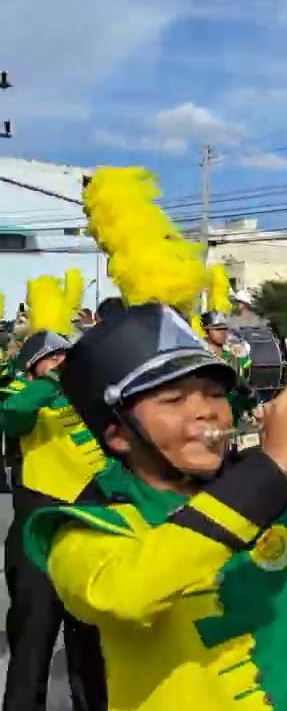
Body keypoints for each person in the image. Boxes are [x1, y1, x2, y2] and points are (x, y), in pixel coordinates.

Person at [22, 303, 287, 710]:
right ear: (118, 436)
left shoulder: (280, 504)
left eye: (215, 394)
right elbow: (124, 593)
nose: (207, 411)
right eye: (172, 400)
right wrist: (270, 465)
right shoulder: (84, 524)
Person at [2, 279, 107, 711]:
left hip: (91, 529)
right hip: (37, 535)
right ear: (33, 366)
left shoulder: (91, 400)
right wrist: (48, 384)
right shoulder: (20, 392)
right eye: (54, 357)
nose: (64, 364)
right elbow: (12, 417)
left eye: (68, 357)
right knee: (33, 641)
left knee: (92, 644)